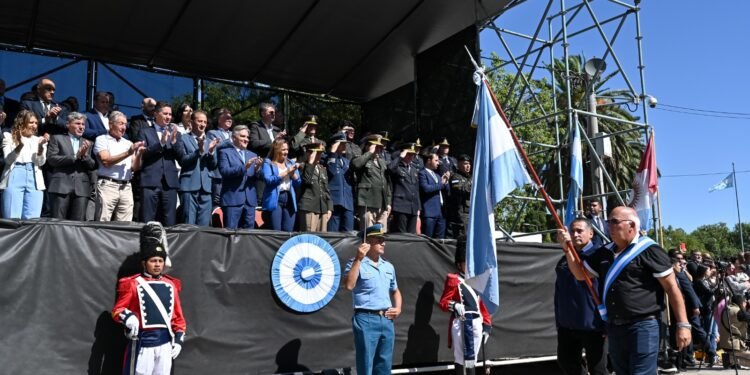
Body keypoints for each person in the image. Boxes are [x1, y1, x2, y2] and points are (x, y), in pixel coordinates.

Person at [560, 206, 691, 375]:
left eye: (615, 222)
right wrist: (567, 248)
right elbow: (580, 274)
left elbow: (672, 288)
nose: (609, 227)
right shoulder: (604, 252)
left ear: (632, 225)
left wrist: (683, 325)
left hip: (644, 325)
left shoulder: (650, 250)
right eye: (608, 222)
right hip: (615, 326)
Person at [111, 236, 186, 375]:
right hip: (143, 344)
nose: (157, 264)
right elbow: (117, 311)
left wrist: (179, 339)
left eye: (160, 261)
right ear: (144, 263)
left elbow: (178, 318)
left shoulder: (170, 285)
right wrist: (128, 317)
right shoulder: (132, 283)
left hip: (165, 345)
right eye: (153, 261)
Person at [344, 224, 402, 375]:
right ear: (367, 242)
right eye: (379, 240)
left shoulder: (388, 266)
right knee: (366, 364)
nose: (384, 243)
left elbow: (395, 291)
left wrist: (398, 308)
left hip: (386, 320)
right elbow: (349, 286)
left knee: (384, 365)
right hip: (366, 318)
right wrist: (358, 259)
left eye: (384, 240)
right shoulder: (355, 263)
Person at [554, 218, 607, 375]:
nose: (575, 234)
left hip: (593, 323)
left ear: (591, 233)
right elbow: (559, 290)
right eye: (572, 231)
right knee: (566, 362)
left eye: (579, 231)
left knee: (597, 368)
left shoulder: (600, 255)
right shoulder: (565, 258)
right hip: (567, 323)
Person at [438, 235, 492, 375]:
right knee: (461, 359)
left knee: (472, 360)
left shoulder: (477, 280)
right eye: (465, 262)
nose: (468, 265)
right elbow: (443, 302)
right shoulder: (453, 280)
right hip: (461, 323)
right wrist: (454, 306)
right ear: (459, 264)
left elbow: (482, 306)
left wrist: (487, 326)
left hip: (476, 323)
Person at [139, 102, 184, 226]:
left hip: (169, 183)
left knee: (169, 221)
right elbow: (143, 154)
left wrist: (174, 143)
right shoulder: (145, 132)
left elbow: (181, 158)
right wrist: (161, 143)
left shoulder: (176, 133)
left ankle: (168, 245)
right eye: (165, 113)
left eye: (170, 114)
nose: (168, 117)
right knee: (148, 220)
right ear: (155, 114)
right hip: (150, 181)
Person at [46, 112, 96, 220]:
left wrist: (84, 156)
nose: (81, 127)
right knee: (57, 222)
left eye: (83, 124)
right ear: (68, 124)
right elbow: (52, 160)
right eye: (78, 123)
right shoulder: (57, 138)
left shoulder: (88, 143)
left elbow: (92, 165)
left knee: (77, 224)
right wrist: (75, 156)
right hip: (61, 186)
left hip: (81, 188)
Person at [94, 111, 144, 221]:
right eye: (121, 123)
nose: (124, 127)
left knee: (125, 225)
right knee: (103, 221)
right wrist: (128, 153)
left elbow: (134, 168)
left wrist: (139, 154)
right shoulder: (101, 139)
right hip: (108, 185)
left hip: (126, 186)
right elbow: (106, 161)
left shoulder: (128, 143)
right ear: (111, 124)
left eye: (125, 124)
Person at [0, 110, 48, 219]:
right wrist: (19, 146)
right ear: (22, 122)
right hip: (14, 174)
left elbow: (41, 162)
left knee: (32, 220)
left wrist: (40, 148)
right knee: (12, 218)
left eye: (36, 123)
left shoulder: (39, 140)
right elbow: (8, 160)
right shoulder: (8, 136)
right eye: (31, 122)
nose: (34, 125)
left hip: (34, 178)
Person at [178, 110, 219, 226]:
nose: (202, 124)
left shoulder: (210, 141)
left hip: (206, 187)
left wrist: (210, 152)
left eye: (205, 122)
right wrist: (199, 151)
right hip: (189, 185)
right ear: (191, 122)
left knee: (204, 224)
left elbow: (214, 165)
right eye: (199, 121)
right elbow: (183, 160)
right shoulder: (183, 138)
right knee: (189, 223)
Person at [218, 125, 262, 229]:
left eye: (247, 137)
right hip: (232, 199)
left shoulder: (253, 155)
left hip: (249, 201)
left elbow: (257, 177)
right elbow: (225, 171)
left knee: (249, 234)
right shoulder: (225, 152)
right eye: (243, 136)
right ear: (233, 137)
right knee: (231, 233)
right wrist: (244, 167)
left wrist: (257, 169)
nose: (246, 139)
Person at [351, 135, 391, 231]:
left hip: (382, 203)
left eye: (380, 147)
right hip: (368, 202)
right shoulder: (361, 158)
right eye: (376, 147)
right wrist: (369, 152)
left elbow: (387, 184)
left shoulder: (382, 162)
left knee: (381, 234)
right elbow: (355, 165)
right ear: (367, 146)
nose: (378, 149)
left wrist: (388, 202)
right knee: (368, 233)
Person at [261, 139, 301, 231]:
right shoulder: (268, 163)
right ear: (276, 150)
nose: (286, 152)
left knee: (288, 230)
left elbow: (298, 182)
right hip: (276, 198)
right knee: (276, 230)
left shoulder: (291, 163)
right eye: (283, 150)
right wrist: (286, 172)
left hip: (289, 198)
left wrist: (292, 174)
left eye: (287, 149)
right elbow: (268, 180)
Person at [297, 142, 332, 232]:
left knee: (321, 239)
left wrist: (329, 208)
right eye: (317, 153)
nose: (319, 156)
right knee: (309, 237)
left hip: (322, 207)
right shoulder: (302, 166)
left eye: (320, 153)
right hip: (309, 207)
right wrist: (310, 163)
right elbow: (307, 180)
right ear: (309, 153)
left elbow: (326, 190)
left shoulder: (322, 169)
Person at [325, 132, 354, 232]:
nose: (344, 145)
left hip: (347, 200)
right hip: (335, 200)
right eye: (342, 143)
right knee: (333, 232)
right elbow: (331, 171)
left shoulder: (347, 161)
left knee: (349, 233)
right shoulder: (327, 158)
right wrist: (332, 153)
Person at [388, 144, 420, 234]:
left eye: (412, 154)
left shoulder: (414, 170)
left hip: (413, 206)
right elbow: (390, 168)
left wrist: (418, 208)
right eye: (408, 154)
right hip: (401, 205)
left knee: (412, 234)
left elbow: (416, 190)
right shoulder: (397, 166)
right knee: (401, 233)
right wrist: (400, 157)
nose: (411, 157)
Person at [419, 152, 449, 238]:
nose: (438, 163)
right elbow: (426, 189)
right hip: (430, 212)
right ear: (429, 160)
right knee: (427, 238)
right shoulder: (422, 173)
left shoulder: (437, 175)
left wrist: (446, 182)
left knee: (440, 239)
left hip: (441, 212)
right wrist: (441, 184)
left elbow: (446, 190)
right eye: (436, 160)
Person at [718, 294, 750, 368]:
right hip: (734, 345)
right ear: (741, 302)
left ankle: (732, 361)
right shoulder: (738, 312)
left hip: (725, 343)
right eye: (745, 302)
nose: (745, 304)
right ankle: (730, 360)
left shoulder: (726, 309)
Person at [446, 154, 472, 239]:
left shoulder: (471, 177)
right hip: (461, 212)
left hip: (471, 211)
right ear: (459, 165)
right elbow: (461, 190)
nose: (468, 166)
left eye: (469, 164)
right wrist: (471, 183)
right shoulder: (455, 177)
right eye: (465, 164)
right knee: (464, 236)